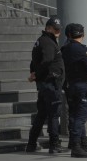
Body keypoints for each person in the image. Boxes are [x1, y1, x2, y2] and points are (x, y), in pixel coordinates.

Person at [61, 23, 87, 158]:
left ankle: (83, 143)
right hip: (83, 87)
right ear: (83, 35)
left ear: (68, 35)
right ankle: (76, 146)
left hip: (70, 85)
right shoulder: (81, 49)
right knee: (81, 117)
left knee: (74, 116)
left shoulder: (64, 49)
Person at [26, 16, 66, 154]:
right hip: (50, 83)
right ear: (48, 28)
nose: (57, 32)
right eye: (55, 29)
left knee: (42, 114)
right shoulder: (47, 42)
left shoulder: (42, 41)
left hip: (46, 83)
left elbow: (34, 62)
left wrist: (34, 73)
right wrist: (36, 74)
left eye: (59, 29)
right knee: (54, 114)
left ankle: (31, 143)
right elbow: (47, 60)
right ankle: (54, 145)